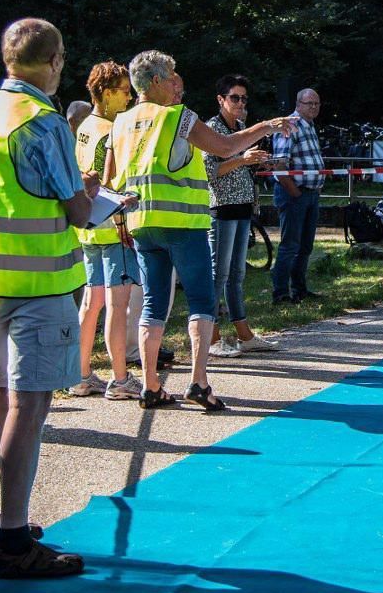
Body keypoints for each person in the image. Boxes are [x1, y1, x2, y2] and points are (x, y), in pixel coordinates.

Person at [0, 18, 93, 578]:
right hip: (40, 282)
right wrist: (95, 195)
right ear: (55, 61)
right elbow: (76, 210)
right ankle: (13, 542)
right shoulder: (42, 121)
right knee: (28, 406)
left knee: (1, 393)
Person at [104, 50, 292, 412]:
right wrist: (267, 126)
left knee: (153, 304)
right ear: (156, 80)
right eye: (172, 76)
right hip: (184, 223)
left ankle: (150, 385)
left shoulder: (122, 122)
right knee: (202, 301)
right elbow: (225, 147)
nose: (177, 83)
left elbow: (113, 179)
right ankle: (198, 383)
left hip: (143, 224)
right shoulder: (177, 116)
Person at [70, 62, 143, 400]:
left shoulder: (84, 125)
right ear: (108, 92)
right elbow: (108, 182)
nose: (130, 97)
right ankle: (120, 379)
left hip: (88, 229)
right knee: (117, 303)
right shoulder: (110, 130)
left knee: (92, 300)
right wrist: (120, 220)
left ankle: (82, 374)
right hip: (111, 226)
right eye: (125, 91)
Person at [204, 74, 278, 355]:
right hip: (221, 209)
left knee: (236, 274)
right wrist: (242, 159)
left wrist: (254, 162)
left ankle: (244, 334)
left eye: (244, 98)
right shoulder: (212, 128)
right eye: (234, 97)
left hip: (242, 206)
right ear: (221, 100)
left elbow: (237, 167)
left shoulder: (243, 128)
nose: (240, 103)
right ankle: (211, 338)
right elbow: (210, 171)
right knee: (218, 275)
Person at [270, 88, 325, 304]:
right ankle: (281, 293)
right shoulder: (290, 125)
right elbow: (280, 165)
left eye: (316, 104)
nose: (313, 107)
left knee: (305, 246)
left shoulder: (309, 125)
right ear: (298, 104)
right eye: (309, 103)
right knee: (290, 245)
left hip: (310, 194)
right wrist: (295, 192)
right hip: (294, 194)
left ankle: (300, 289)